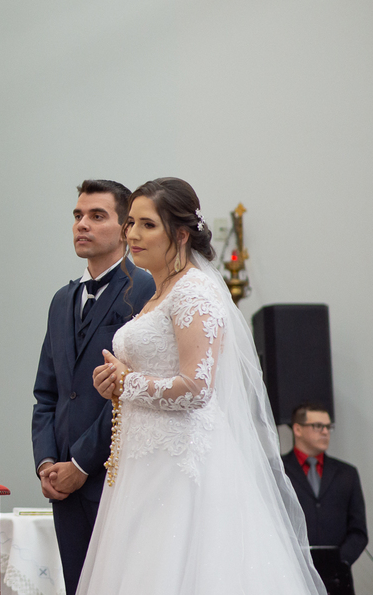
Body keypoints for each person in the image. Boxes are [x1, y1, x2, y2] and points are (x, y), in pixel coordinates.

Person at [82, 177, 325, 594]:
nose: (132, 235)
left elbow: (197, 387)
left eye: (147, 225)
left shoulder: (194, 292)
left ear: (180, 234)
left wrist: (128, 382)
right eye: (131, 223)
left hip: (179, 464)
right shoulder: (158, 294)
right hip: (143, 459)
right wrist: (114, 383)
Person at [32, 179, 155, 595]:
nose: (82, 224)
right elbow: (47, 393)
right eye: (77, 216)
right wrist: (47, 462)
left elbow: (131, 394)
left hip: (115, 474)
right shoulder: (60, 300)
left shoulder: (145, 289)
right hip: (63, 483)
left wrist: (81, 464)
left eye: (97, 216)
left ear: (125, 228)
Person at [283, 402, 367, 595]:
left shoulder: (347, 473)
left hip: (338, 580)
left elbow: (359, 530)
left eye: (328, 427)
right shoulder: (277, 471)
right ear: (297, 429)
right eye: (318, 426)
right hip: (291, 574)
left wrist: (339, 560)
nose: (325, 432)